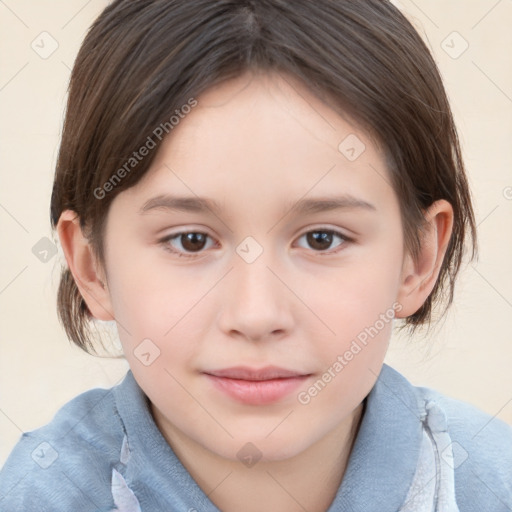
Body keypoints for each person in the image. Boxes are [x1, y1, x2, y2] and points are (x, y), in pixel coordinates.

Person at [0, 1, 510, 511]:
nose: (257, 314)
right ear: (92, 268)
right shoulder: (41, 495)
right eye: (191, 240)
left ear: (417, 259)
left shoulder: (491, 480)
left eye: (322, 239)